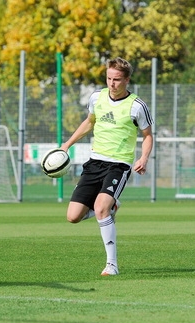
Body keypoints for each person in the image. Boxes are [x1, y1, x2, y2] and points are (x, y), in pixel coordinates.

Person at [60, 57, 154, 276]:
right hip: (94, 162)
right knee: (73, 217)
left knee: (101, 208)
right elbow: (89, 122)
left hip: (119, 164)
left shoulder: (137, 106)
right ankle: (111, 207)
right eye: (109, 78)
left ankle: (111, 264)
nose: (112, 83)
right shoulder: (97, 97)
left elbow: (148, 135)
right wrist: (67, 144)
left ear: (127, 80)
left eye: (117, 79)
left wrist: (144, 158)